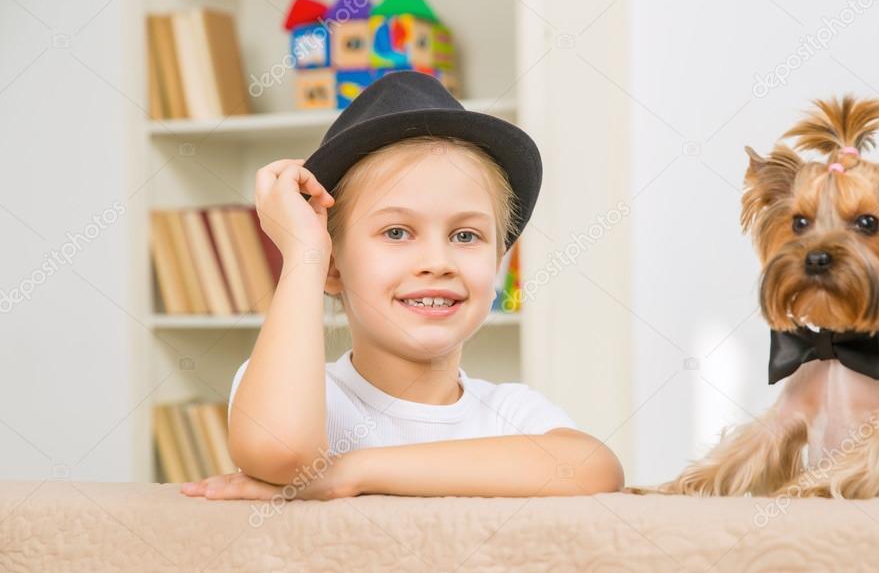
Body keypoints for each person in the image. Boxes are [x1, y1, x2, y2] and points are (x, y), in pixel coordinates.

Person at [181, 71, 623, 501]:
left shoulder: (511, 412)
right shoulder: (306, 392)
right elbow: (282, 454)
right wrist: (304, 256)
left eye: (465, 236)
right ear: (332, 267)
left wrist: (353, 471)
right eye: (396, 232)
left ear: (497, 265)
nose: (437, 262)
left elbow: (595, 467)